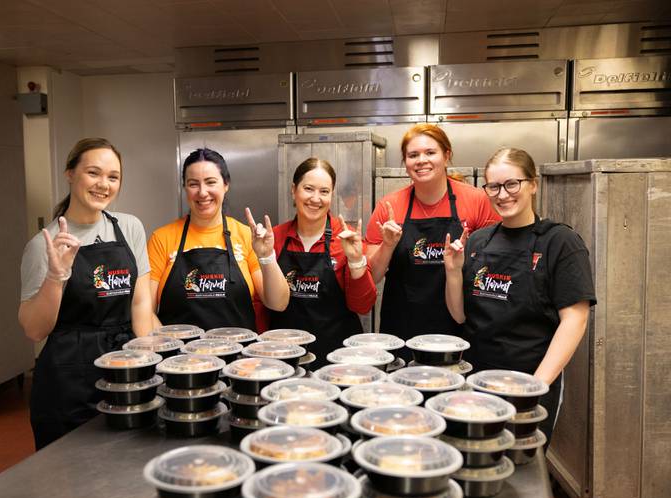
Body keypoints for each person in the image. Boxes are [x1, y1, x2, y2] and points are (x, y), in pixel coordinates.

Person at [444, 148, 596, 442]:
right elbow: (460, 315)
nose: (502, 195)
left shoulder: (560, 242)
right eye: (494, 187)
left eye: (512, 184)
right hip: (476, 380)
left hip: (532, 380)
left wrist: (535, 387)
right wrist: (452, 271)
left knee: (523, 466)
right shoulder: (479, 240)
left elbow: (575, 319)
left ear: (533, 184)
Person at [18, 138, 154, 449]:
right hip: (68, 380)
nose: (103, 185)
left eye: (113, 177)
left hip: (124, 368)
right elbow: (34, 329)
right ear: (70, 174)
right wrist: (56, 276)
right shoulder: (45, 244)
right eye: (94, 173)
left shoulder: (129, 227)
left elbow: (141, 300)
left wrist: (148, 359)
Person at [366, 123, 500, 341]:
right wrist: (387, 246)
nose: (421, 160)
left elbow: (494, 267)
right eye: (413, 155)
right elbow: (371, 277)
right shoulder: (389, 207)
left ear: (446, 155)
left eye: (430, 152)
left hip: (460, 324)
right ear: (406, 162)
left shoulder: (477, 201)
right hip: (402, 326)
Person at [148, 148, 289, 331]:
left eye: (210, 182)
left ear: (226, 185)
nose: (202, 192)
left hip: (237, 357)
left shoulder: (246, 235)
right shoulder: (162, 239)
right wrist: (168, 349)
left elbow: (278, 303)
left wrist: (266, 256)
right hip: (180, 357)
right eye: (193, 184)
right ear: (184, 187)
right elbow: (146, 311)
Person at [269, 157, 376, 366]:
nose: (315, 199)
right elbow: (265, 305)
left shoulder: (346, 238)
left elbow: (363, 306)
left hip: (338, 359)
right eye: (308, 189)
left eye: (324, 191)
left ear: (331, 195)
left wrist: (355, 261)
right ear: (294, 190)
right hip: (286, 358)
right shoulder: (275, 238)